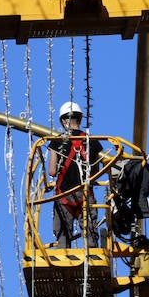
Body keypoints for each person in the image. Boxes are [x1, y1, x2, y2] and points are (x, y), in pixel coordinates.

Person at [46, 100, 105, 247]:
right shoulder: (93, 142)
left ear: (63, 121)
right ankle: (91, 259)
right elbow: (95, 172)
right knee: (90, 235)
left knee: (63, 239)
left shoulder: (57, 141)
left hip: (63, 195)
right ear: (79, 119)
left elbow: (52, 171)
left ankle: (63, 260)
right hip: (85, 195)